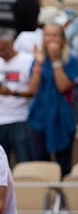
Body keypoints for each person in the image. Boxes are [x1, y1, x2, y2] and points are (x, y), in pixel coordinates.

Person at [27, 23, 78, 178]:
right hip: (39, 116)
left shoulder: (70, 59)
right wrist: (38, 63)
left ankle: (63, 200)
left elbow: (63, 86)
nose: (50, 39)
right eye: (47, 35)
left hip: (62, 116)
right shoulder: (38, 59)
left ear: (62, 39)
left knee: (63, 163)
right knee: (40, 161)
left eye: (54, 35)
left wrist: (56, 60)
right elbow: (32, 89)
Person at [0, 28, 35, 166]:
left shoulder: (28, 60)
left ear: (12, 43)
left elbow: (34, 91)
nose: (1, 52)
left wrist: (12, 93)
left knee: (24, 162)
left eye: (4, 48)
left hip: (20, 118)